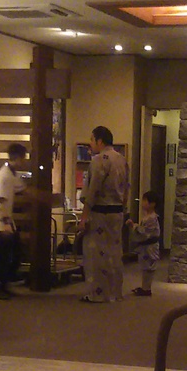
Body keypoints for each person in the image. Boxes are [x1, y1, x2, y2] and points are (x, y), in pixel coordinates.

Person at [79, 126, 128, 303]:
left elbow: (92, 191)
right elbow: (126, 188)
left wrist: (84, 217)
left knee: (96, 255)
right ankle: (115, 292)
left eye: (92, 140)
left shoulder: (98, 160)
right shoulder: (122, 159)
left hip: (100, 213)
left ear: (100, 141)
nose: (90, 143)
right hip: (117, 212)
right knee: (114, 253)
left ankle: (97, 293)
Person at [0, 143, 27, 298]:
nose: (24, 161)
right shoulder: (4, 176)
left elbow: (22, 188)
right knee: (2, 256)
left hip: (3, 219)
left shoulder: (11, 174)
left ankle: (3, 284)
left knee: (11, 251)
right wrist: (6, 223)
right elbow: (1, 201)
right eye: (23, 158)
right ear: (18, 158)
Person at [126, 190, 161, 297]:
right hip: (146, 246)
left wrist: (134, 226)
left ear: (152, 203)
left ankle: (147, 288)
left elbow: (145, 232)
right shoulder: (148, 217)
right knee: (145, 267)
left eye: (145, 200)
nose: (143, 202)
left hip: (150, 247)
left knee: (149, 267)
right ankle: (145, 287)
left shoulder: (152, 218)